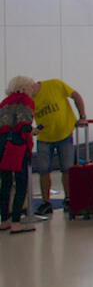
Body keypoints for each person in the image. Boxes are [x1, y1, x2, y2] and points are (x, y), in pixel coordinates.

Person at [28, 77, 87, 214]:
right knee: (43, 170)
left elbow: (76, 96)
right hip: (44, 137)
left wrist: (82, 115)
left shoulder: (55, 84)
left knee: (67, 168)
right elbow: (27, 116)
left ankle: (68, 198)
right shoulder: (29, 100)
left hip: (64, 133)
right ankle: (45, 202)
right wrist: (31, 128)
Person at [0, 77, 38, 234]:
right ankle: (16, 222)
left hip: (2, 144)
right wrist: (33, 131)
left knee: (5, 183)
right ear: (26, 87)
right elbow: (24, 124)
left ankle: (4, 220)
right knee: (21, 182)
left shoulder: (5, 102)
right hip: (18, 145)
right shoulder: (26, 100)